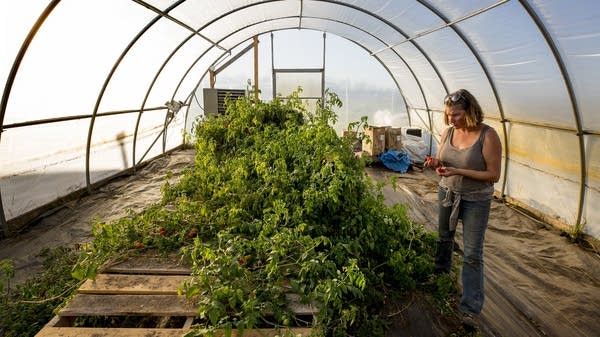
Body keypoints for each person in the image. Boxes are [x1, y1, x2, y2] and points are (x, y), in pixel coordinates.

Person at [424, 89, 502, 329]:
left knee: (472, 254)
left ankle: (470, 309)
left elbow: (493, 175)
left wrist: (458, 171)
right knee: (443, 239)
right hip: (448, 192)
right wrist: (436, 163)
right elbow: (444, 160)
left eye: (456, 115)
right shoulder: (448, 132)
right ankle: (440, 278)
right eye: (448, 115)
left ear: (470, 111)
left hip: (476, 200)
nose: (451, 120)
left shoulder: (487, 136)